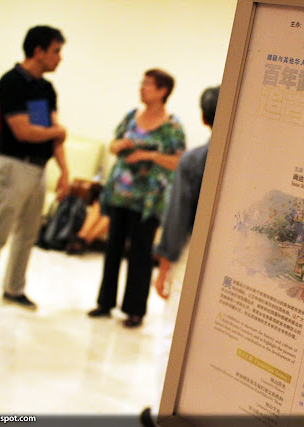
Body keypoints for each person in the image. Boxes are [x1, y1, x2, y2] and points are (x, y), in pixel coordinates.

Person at [0, 26, 69, 320]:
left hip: (37, 168)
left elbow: (46, 131)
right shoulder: (12, 82)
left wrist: (64, 171)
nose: (59, 58)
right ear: (38, 51)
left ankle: (14, 287)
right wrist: (57, 131)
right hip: (12, 165)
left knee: (28, 233)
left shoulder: (43, 88)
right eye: (56, 51)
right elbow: (23, 132)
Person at [140, 86, 220, 427]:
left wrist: (164, 267)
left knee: (172, 332)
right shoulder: (252, 162)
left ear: (204, 118)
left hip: (192, 253)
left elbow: (176, 219)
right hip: (229, 260)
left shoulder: (195, 160)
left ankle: (163, 410)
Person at [88, 69, 185, 328]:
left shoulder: (172, 126)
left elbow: (178, 161)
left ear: (163, 90)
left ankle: (134, 310)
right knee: (112, 249)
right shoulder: (132, 116)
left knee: (140, 254)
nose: (142, 87)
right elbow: (113, 143)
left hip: (148, 201)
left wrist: (149, 155)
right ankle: (104, 302)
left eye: (148, 84)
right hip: (120, 194)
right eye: (142, 83)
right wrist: (118, 146)